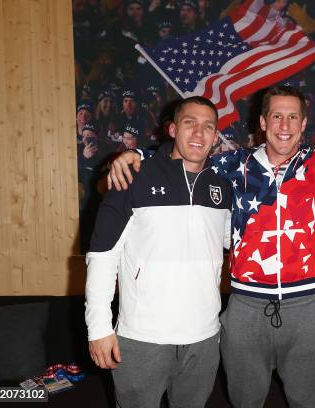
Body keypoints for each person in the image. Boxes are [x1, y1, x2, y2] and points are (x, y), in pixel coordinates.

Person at [107, 85, 315, 408]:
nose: (284, 126)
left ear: (303, 124)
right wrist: (137, 154)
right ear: (262, 122)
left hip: (309, 310)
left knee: (307, 401)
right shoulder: (229, 165)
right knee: (245, 401)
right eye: (276, 117)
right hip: (244, 309)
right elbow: (185, 154)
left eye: (293, 118)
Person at [85, 96, 232, 408]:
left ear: (216, 136)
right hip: (141, 339)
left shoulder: (223, 187)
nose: (199, 133)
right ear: (172, 128)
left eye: (208, 127)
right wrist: (98, 328)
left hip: (203, 338)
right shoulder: (133, 177)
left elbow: (232, 244)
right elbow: (102, 255)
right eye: (190, 123)